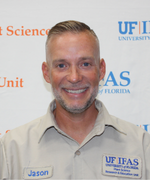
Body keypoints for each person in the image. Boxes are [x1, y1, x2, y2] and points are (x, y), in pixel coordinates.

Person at [0, 20, 150, 180]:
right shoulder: (10, 150)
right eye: (61, 65)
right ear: (46, 72)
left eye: (85, 64)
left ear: (101, 70)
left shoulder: (142, 146)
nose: (74, 77)